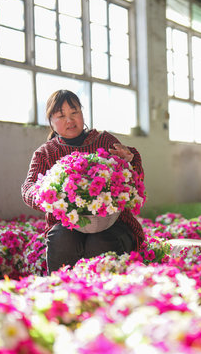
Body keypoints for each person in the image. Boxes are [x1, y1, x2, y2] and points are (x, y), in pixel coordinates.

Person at [22, 89, 145, 274]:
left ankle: (108, 293)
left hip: (112, 221)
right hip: (67, 222)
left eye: (74, 112)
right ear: (51, 122)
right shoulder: (45, 153)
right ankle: (62, 293)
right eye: (61, 116)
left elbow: (135, 178)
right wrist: (45, 195)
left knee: (100, 242)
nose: (70, 120)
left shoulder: (104, 141)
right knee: (61, 239)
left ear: (82, 113)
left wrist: (129, 160)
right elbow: (28, 187)